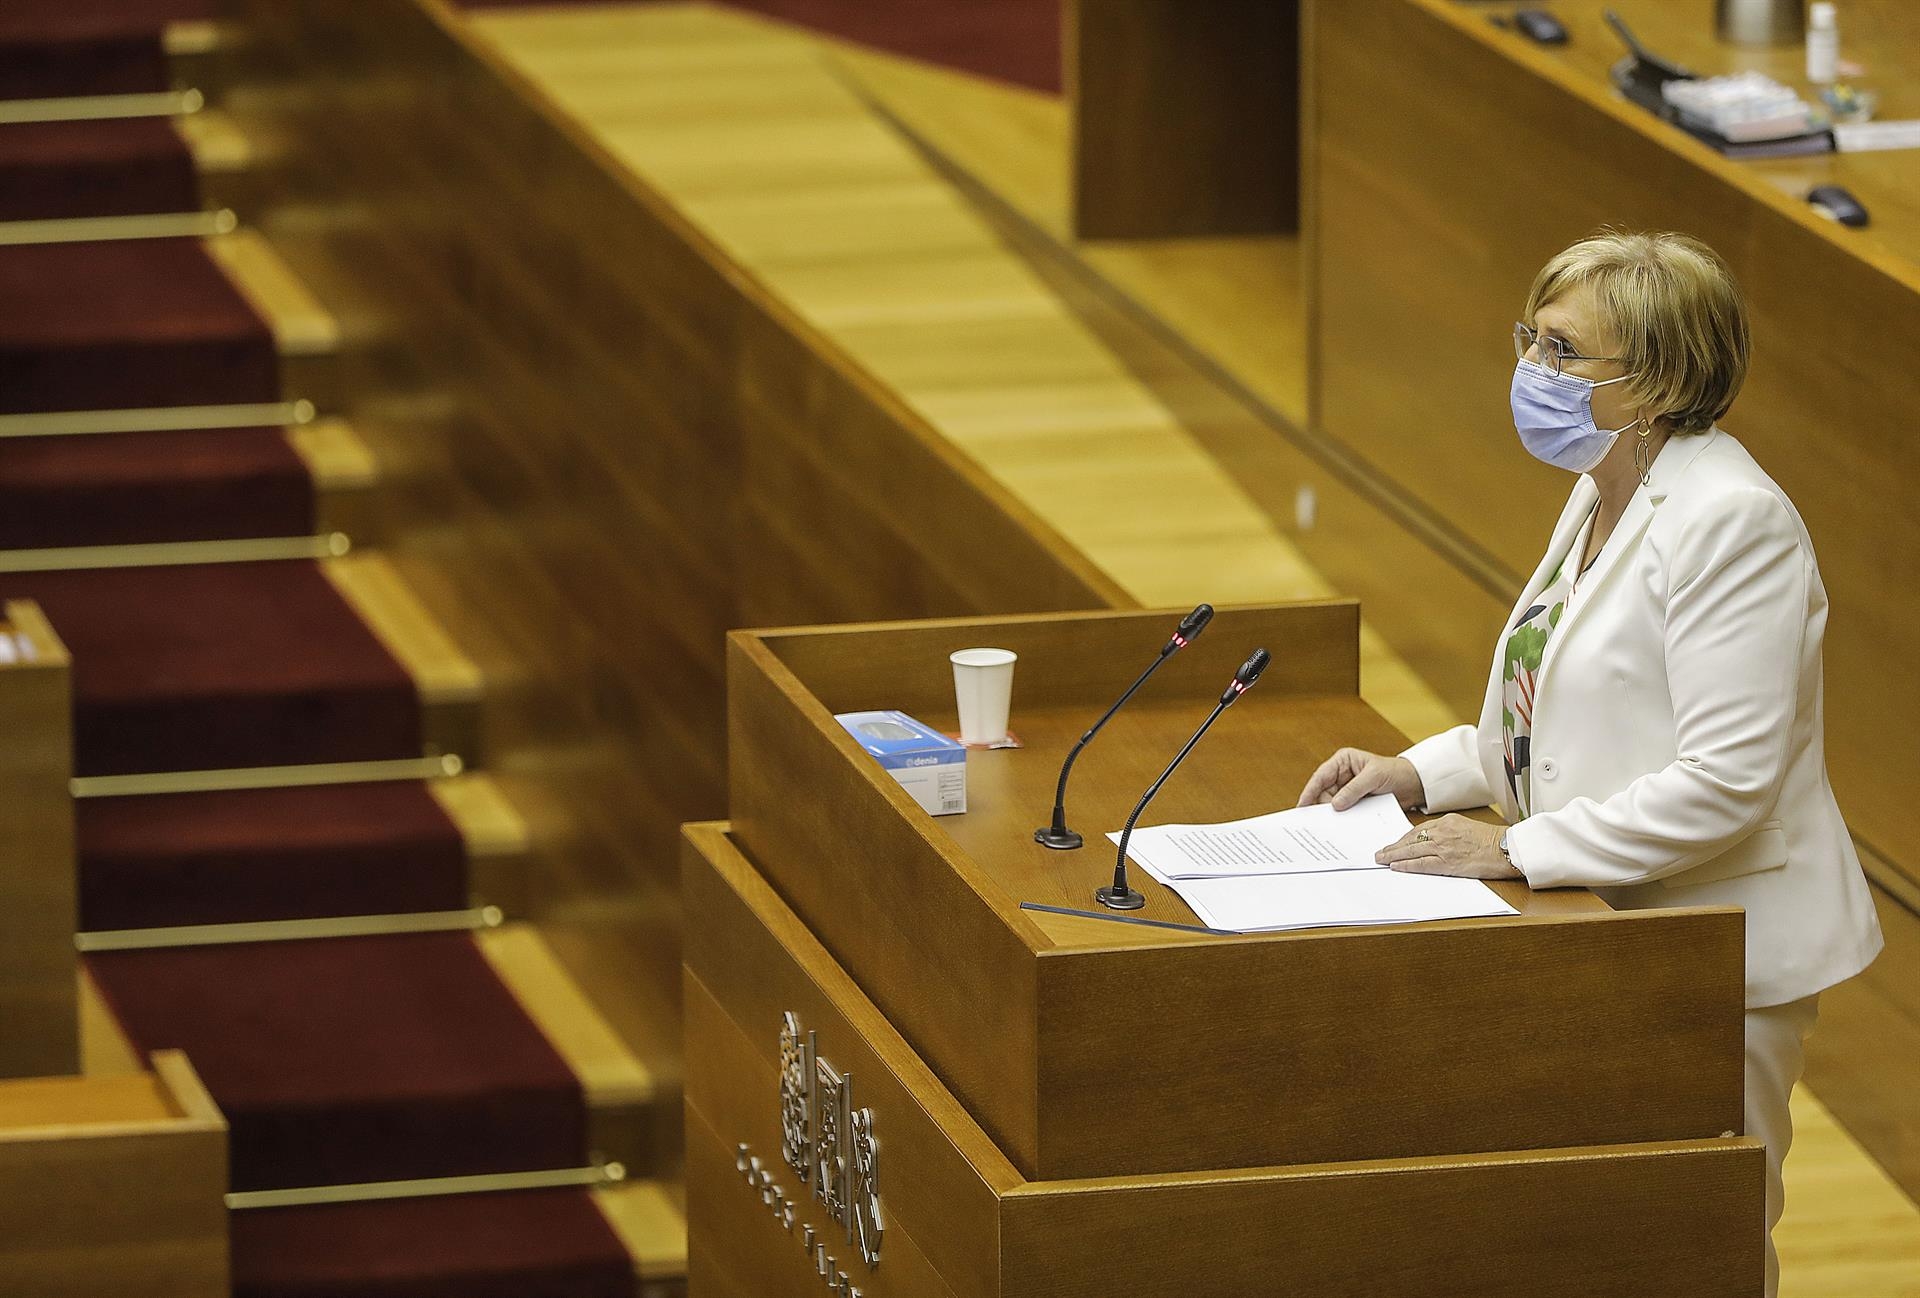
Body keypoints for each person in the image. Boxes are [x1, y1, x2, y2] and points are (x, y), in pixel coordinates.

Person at [1297, 230, 1882, 1298]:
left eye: (1565, 352)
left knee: (1697, 1237)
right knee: (1597, 1233)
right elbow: (1554, 713)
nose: (1533, 369)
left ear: (1655, 383)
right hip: (1607, 929)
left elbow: (1726, 778)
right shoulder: (1604, 483)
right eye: (1532, 336)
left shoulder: (1732, 522)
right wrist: (1418, 773)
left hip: (1716, 952)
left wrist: (1516, 848)